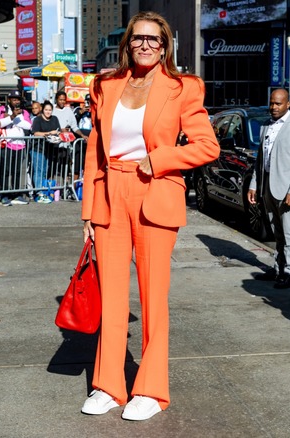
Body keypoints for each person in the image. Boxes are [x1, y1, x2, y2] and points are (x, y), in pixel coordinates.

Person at [80, 11, 219, 421]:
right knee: (111, 297)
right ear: (127, 43)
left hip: (154, 190)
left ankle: (152, 390)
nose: (145, 45)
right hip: (110, 193)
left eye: (154, 40)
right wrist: (88, 209)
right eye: (138, 38)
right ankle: (108, 384)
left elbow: (206, 146)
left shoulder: (183, 88)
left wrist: (159, 160)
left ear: (165, 46)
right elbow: (94, 150)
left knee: (153, 297)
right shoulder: (105, 85)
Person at [247, 89, 290, 289]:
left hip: (287, 190)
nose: (273, 107)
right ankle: (278, 267)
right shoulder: (265, 126)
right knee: (276, 232)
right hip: (268, 186)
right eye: (272, 103)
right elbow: (260, 160)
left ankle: (289, 272)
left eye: (278, 104)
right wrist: (254, 185)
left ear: (287, 105)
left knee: (289, 232)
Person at [30, 100, 61, 203]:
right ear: (43, 110)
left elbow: (58, 131)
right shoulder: (37, 120)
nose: (48, 112)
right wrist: (48, 133)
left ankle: (43, 190)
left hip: (49, 149)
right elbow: (35, 133)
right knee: (38, 171)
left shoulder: (55, 119)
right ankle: (39, 192)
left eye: (50, 110)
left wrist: (58, 135)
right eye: (46, 110)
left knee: (44, 170)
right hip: (37, 148)